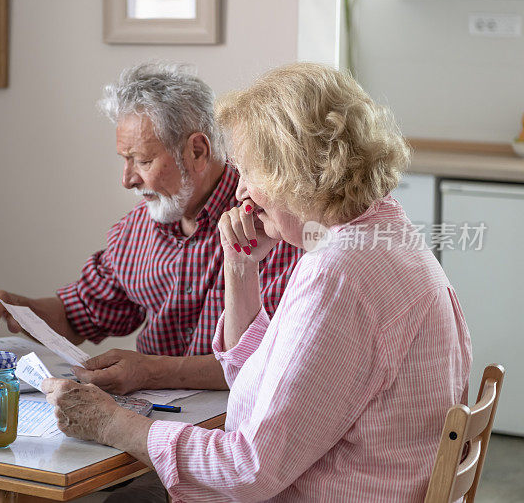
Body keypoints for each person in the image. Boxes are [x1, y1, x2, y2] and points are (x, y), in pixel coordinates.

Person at [42, 63, 472, 502]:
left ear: (296, 171)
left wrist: (113, 424)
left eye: (251, 171)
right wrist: (241, 266)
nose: (241, 191)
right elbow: (257, 378)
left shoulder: (337, 274)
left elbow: (247, 470)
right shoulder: (386, 231)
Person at [0, 63, 301, 393]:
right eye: (125, 160)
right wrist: (13, 306)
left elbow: (265, 359)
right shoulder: (136, 229)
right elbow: (79, 315)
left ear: (197, 151)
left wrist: (149, 371)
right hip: (156, 421)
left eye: (142, 160)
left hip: (230, 424)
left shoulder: (267, 227)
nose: (127, 180)